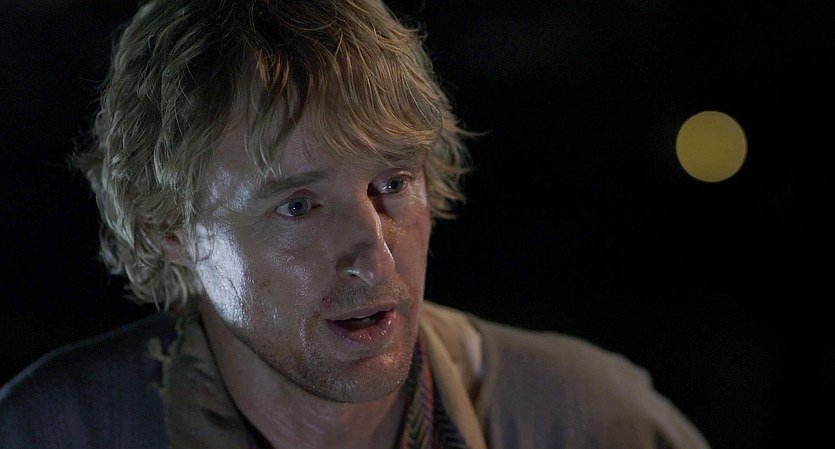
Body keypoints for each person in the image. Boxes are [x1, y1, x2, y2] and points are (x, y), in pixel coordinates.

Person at [0, 1, 711, 448]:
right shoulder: (51, 430)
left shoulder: (589, 418)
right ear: (169, 230)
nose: (375, 257)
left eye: (391, 184)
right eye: (298, 206)